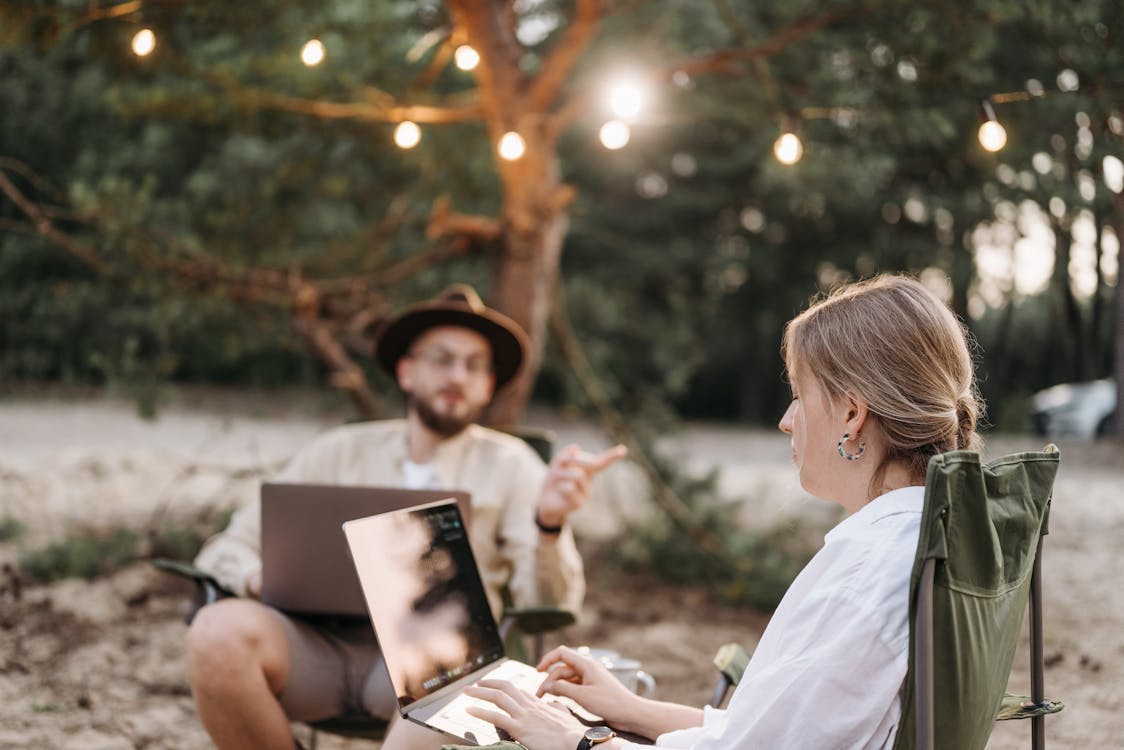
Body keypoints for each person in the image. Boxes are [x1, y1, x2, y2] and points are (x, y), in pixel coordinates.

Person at [463, 274, 983, 750]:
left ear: (851, 414)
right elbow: (764, 735)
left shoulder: (865, 577)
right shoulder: (928, 540)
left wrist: (575, 742)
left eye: (798, 397)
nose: (786, 420)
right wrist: (631, 710)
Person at [185, 284, 626, 750]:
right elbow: (224, 548)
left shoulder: (513, 466)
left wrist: (549, 526)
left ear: (489, 385)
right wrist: (257, 578)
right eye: (442, 359)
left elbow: (551, 601)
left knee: (456, 661)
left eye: (475, 365)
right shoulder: (338, 451)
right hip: (316, 646)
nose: (458, 375)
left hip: (438, 664)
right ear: (406, 371)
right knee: (215, 630)